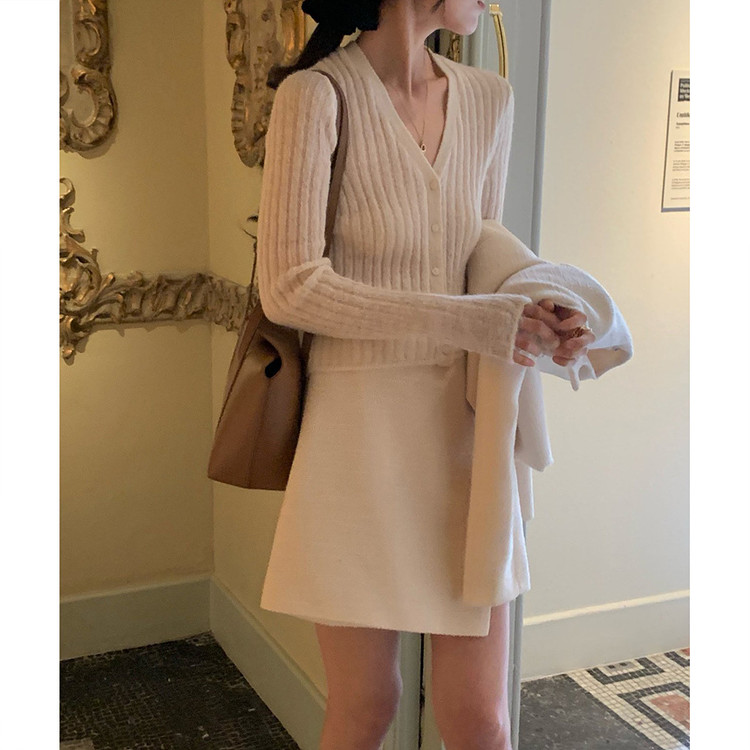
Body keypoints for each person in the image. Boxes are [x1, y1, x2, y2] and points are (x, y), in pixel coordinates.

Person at [256, 1, 594, 748]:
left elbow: (483, 255)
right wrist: (467, 319)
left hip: (467, 431)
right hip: (356, 435)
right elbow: (288, 288)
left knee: (480, 718)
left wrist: (540, 312)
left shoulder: (489, 98)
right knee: (366, 705)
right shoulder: (316, 96)